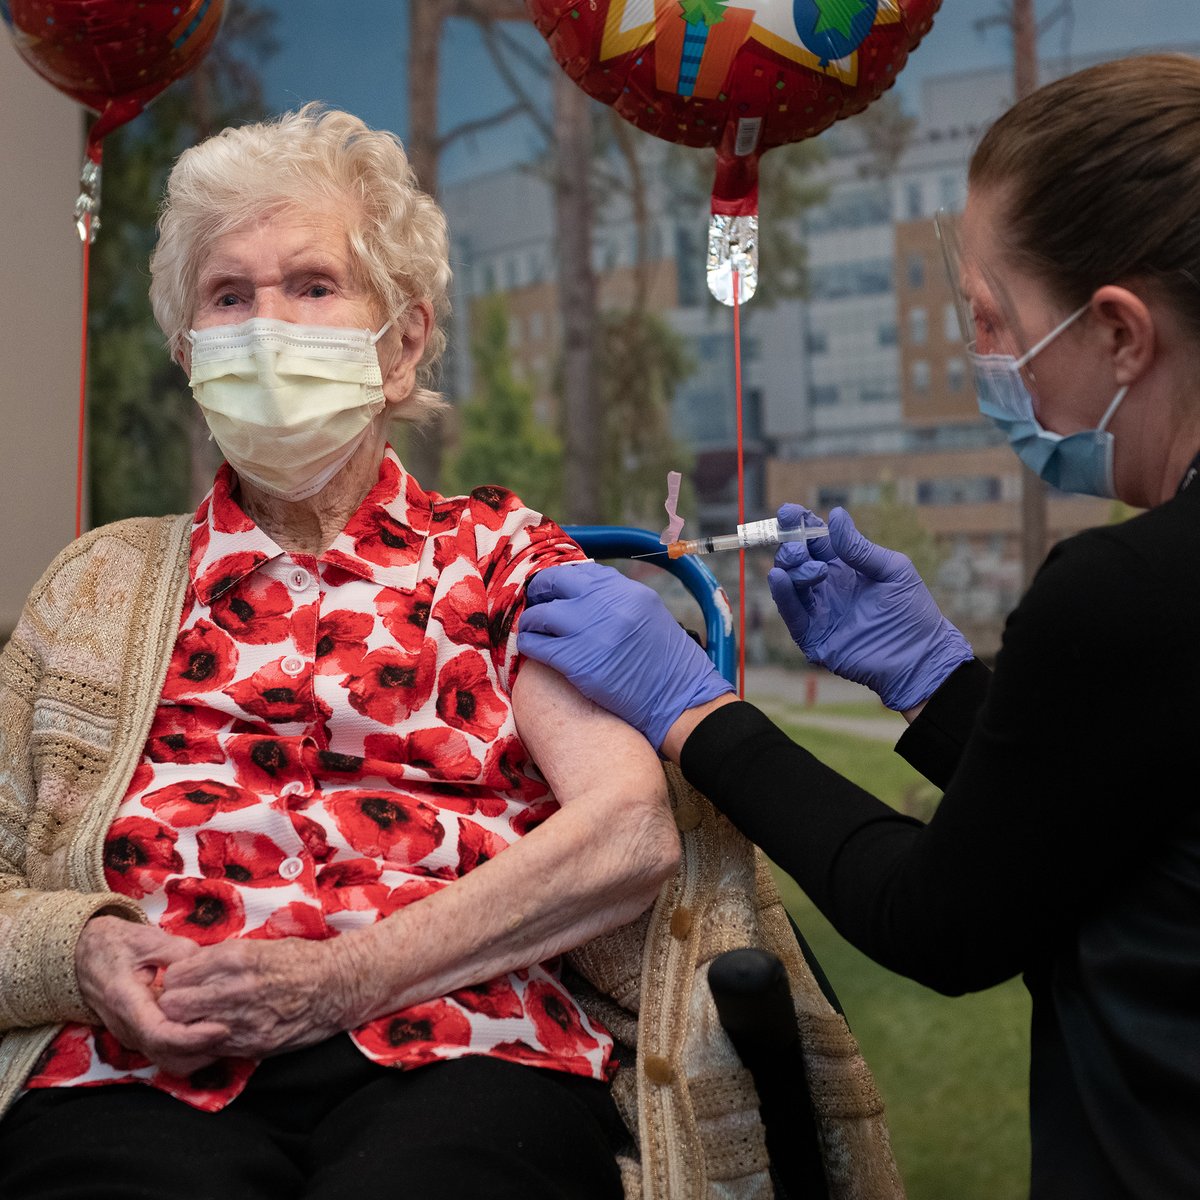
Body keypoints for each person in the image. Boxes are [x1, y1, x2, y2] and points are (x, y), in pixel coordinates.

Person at [516, 53, 1200, 1199]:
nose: (993, 366)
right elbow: (1096, 821)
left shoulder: (1127, 589)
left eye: (995, 325)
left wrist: (693, 710)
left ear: (1122, 333)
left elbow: (945, 917)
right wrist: (938, 686)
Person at [0, 104, 685, 1200]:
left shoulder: (503, 557)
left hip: (461, 1050)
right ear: (188, 352)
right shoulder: (97, 582)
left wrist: (344, 977)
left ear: (402, 343)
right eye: (229, 296)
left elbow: (629, 830)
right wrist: (77, 950)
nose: (267, 325)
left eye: (314, 285)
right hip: (135, 1066)